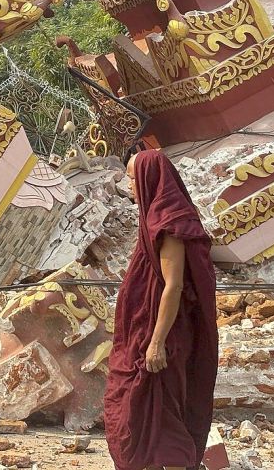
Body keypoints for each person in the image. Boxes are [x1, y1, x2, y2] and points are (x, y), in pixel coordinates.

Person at [104, 150, 219, 470]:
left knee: (161, 416)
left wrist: (156, 343)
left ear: (148, 179)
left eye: (131, 178)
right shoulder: (153, 216)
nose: (128, 184)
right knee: (138, 411)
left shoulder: (170, 223)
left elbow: (173, 286)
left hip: (162, 336)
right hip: (142, 332)